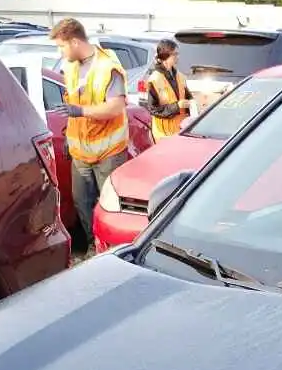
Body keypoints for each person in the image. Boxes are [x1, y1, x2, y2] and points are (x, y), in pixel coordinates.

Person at [51, 18, 129, 238]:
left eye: (62, 46)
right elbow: (73, 101)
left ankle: (109, 248)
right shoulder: (71, 67)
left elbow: (115, 107)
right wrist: (69, 134)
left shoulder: (107, 66)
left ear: (75, 42)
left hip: (108, 152)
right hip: (81, 153)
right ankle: (93, 245)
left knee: (109, 206)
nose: (60, 52)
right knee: (82, 203)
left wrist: (80, 112)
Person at [144, 39, 189, 140]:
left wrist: (192, 103)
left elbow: (188, 97)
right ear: (165, 56)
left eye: (178, 54)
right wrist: (177, 106)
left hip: (180, 132)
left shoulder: (180, 76)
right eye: (175, 54)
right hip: (163, 136)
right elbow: (153, 109)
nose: (178, 57)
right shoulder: (154, 79)